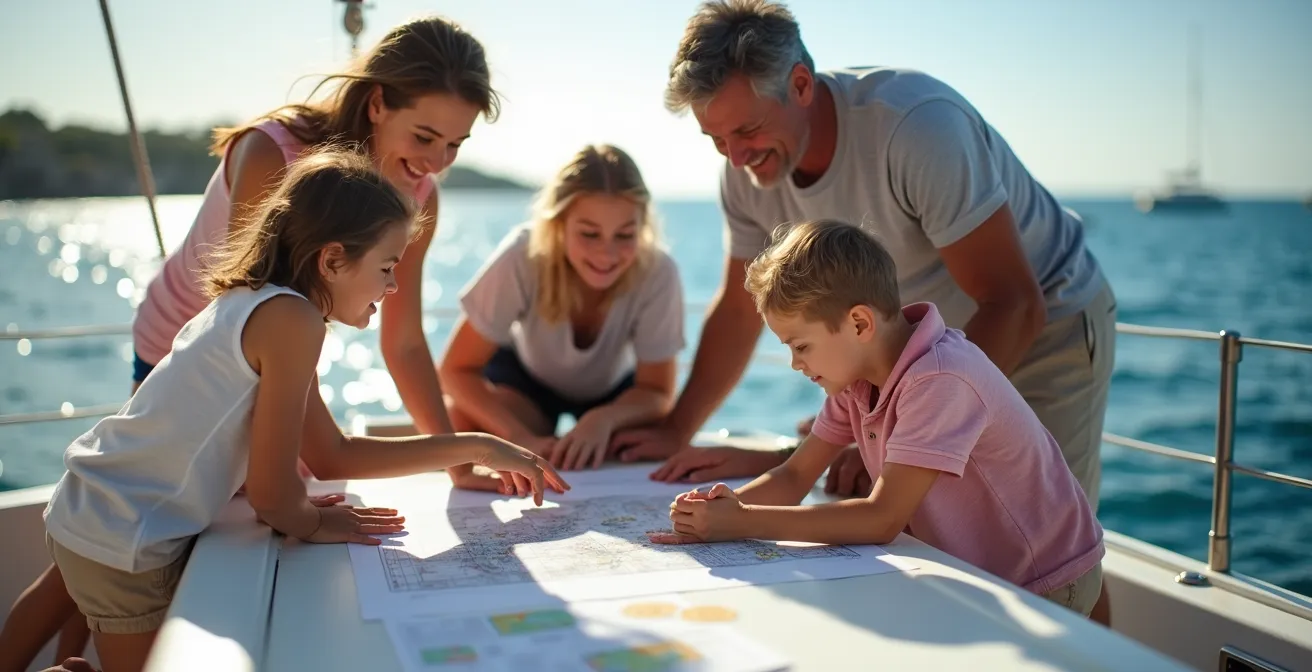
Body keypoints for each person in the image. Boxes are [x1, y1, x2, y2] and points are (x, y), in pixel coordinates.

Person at [0, 149, 568, 672]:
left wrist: (477, 445)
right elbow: (272, 494)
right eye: (388, 266)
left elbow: (330, 452)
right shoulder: (294, 324)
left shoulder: (264, 304)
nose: (394, 286)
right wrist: (312, 520)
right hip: (125, 538)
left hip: (89, 501)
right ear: (332, 260)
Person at [619, 0, 1116, 514]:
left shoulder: (917, 129)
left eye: (746, 131)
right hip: (915, 359)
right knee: (945, 529)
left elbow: (1014, 302)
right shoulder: (743, 174)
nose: (737, 158)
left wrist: (882, 434)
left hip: (1044, 323)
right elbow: (739, 311)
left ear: (801, 85)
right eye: (716, 139)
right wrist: (677, 429)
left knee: (1053, 542)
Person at [650, 219, 1107, 623]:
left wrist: (742, 522)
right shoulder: (855, 379)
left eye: (801, 345)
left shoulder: (940, 377)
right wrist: (717, 511)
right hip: (981, 571)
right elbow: (794, 476)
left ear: (859, 324)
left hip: (1044, 580)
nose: (794, 363)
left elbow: (880, 518)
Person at [130, 15, 509, 493]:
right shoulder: (272, 151)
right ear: (377, 103)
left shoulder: (420, 196)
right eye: (425, 137)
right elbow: (249, 303)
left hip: (277, 357)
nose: (437, 163)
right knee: (155, 515)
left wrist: (460, 468)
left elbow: (406, 342)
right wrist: (316, 457)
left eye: (455, 144)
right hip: (179, 351)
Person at [441, 144, 685, 472]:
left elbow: (657, 392)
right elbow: (455, 370)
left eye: (625, 235)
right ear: (558, 223)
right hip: (528, 383)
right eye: (589, 233)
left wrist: (603, 419)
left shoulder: (658, 271)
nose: (606, 254)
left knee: (640, 445)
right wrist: (518, 436)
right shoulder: (522, 255)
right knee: (465, 420)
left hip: (613, 394)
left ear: (643, 227)